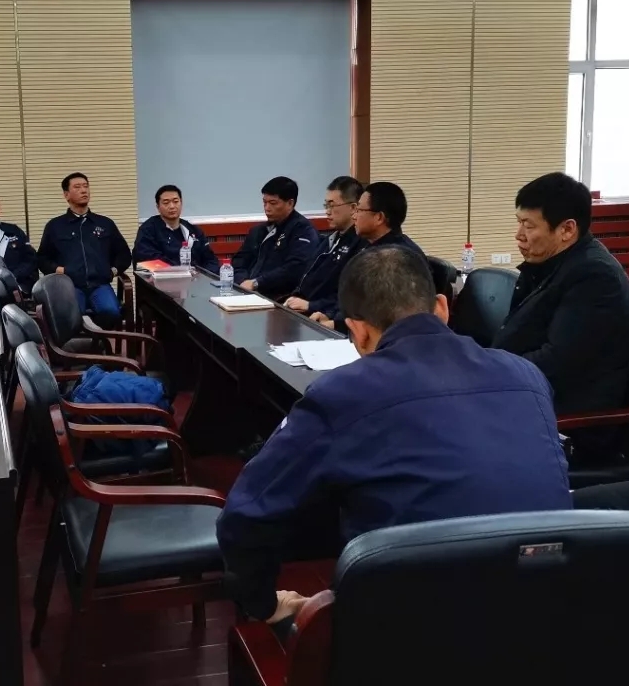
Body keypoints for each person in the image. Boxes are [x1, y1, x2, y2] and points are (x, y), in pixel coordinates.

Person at [217, 245, 572, 626]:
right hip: (550, 613)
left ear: (357, 332)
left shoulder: (342, 393)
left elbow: (245, 517)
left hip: (413, 626)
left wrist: (262, 605)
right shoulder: (526, 375)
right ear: (442, 307)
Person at [492, 173, 629, 417]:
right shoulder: (547, 263)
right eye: (519, 222)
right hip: (527, 391)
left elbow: (556, 362)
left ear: (567, 229)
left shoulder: (595, 277)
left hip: (563, 414)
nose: (519, 234)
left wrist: (489, 370)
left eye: (528, 225)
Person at [308, 181, 429, 331]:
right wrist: (329, 315)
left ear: (379, 217)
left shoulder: (398, 258)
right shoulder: (368, 246)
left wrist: (337, 324)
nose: (354, 216)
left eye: (359, 210)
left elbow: (384, 314)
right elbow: (350, 295)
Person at [36, 172, 132, 327]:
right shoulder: (55, 226)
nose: (83, 190)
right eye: (77, 187)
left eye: (86, 186)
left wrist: (112, 271)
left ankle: (100, 340)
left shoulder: (105, 224)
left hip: (100, 285)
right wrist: (60, 270)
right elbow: (42, 259)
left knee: (111, 312)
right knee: (70, 317)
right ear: (66, 195)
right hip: (70, 286)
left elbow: (124, 254)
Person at [284, 176, 365, 316]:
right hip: (301, 306)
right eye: (326, 205)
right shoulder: (331, 240)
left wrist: (311, 305)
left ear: (353, 208)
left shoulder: (359, 244)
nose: (327, 211)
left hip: (323, 314)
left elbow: (347, 297)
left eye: (332, 206)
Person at [232, 176, 320, 299]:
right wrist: (242, 281)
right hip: (247, 292)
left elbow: (294, 270)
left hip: (280, 298)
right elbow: (239, 261)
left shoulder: (303, 231)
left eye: (273, 203)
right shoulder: (258, 231)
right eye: (264, 202)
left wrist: (257, 283)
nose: (267, 208)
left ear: (290, 203)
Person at [132, 184, 220, 273]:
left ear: (181, 203)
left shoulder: (193, 230)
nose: (172, 206)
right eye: (166, 203)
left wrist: (203, 276)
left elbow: (211, 260)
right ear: (158, 207)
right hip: (165, 278)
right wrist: (181, 272)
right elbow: (148, 259)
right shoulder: (148, 230)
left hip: (196, 278)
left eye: (176, 201)